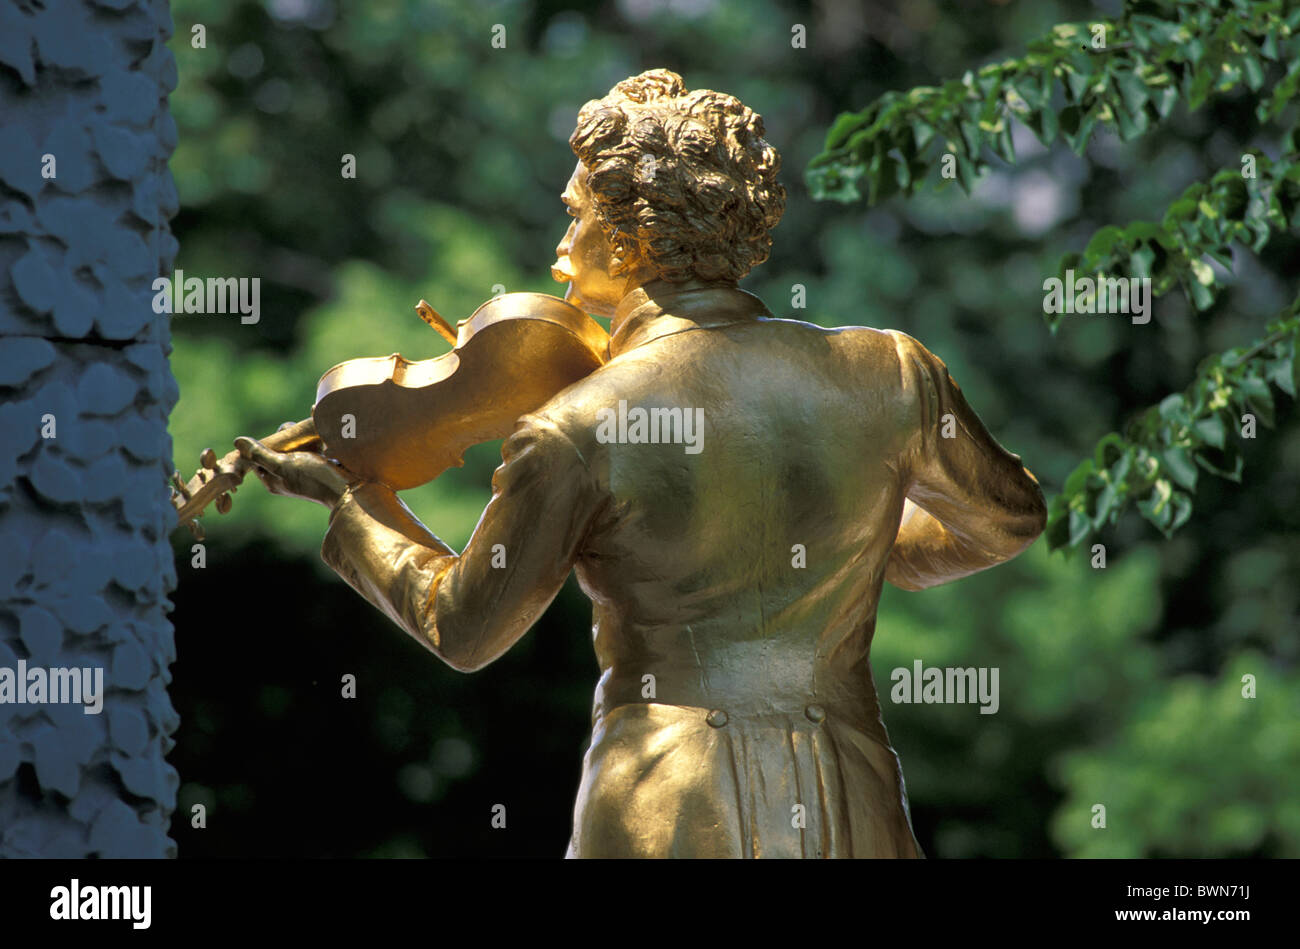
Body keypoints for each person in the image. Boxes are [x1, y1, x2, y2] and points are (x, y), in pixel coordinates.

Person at [237, 68, 1047, 858]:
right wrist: (864, 544)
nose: (561, 245)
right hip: (849, 793)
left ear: (630, 237)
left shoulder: (578, 424)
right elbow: (1008, 520)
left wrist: (358, 508)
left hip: (667, 800)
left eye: (576, 215)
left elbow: (467, 627)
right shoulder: (894, 371)